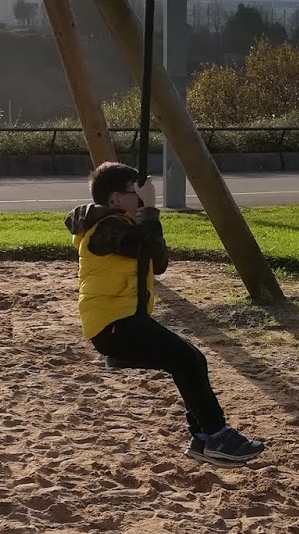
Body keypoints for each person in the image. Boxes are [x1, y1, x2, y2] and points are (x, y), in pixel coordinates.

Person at [65, 162, 265, 464]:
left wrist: (145, 215)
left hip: (125, 320)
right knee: (187, 359)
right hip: (114, 323)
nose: (142, 196)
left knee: (190, 360)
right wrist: (150, 209)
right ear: (117, 199)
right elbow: (147, 246)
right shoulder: (104, 228)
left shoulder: (124, 224)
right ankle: (217, 435)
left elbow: (158, 262)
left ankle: (203, 437)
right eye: (135, 192)